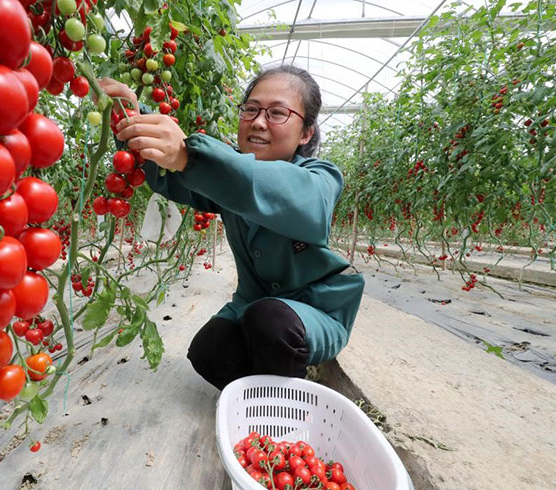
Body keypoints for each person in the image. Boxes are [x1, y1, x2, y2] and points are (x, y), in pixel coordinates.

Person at [100, 64, 364, 390]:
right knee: (209, 351)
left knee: (272, 322)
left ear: (306, 133)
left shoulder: (321, 178)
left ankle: (282, 411)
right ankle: (258, 391)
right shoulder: (227, 176)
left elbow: (297, 200)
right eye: (251, 109)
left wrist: (189, 155)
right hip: (252, 307)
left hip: (315, 311)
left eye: (277, 113)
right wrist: (135, 117)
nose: (258, 121)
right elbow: (175, 180)